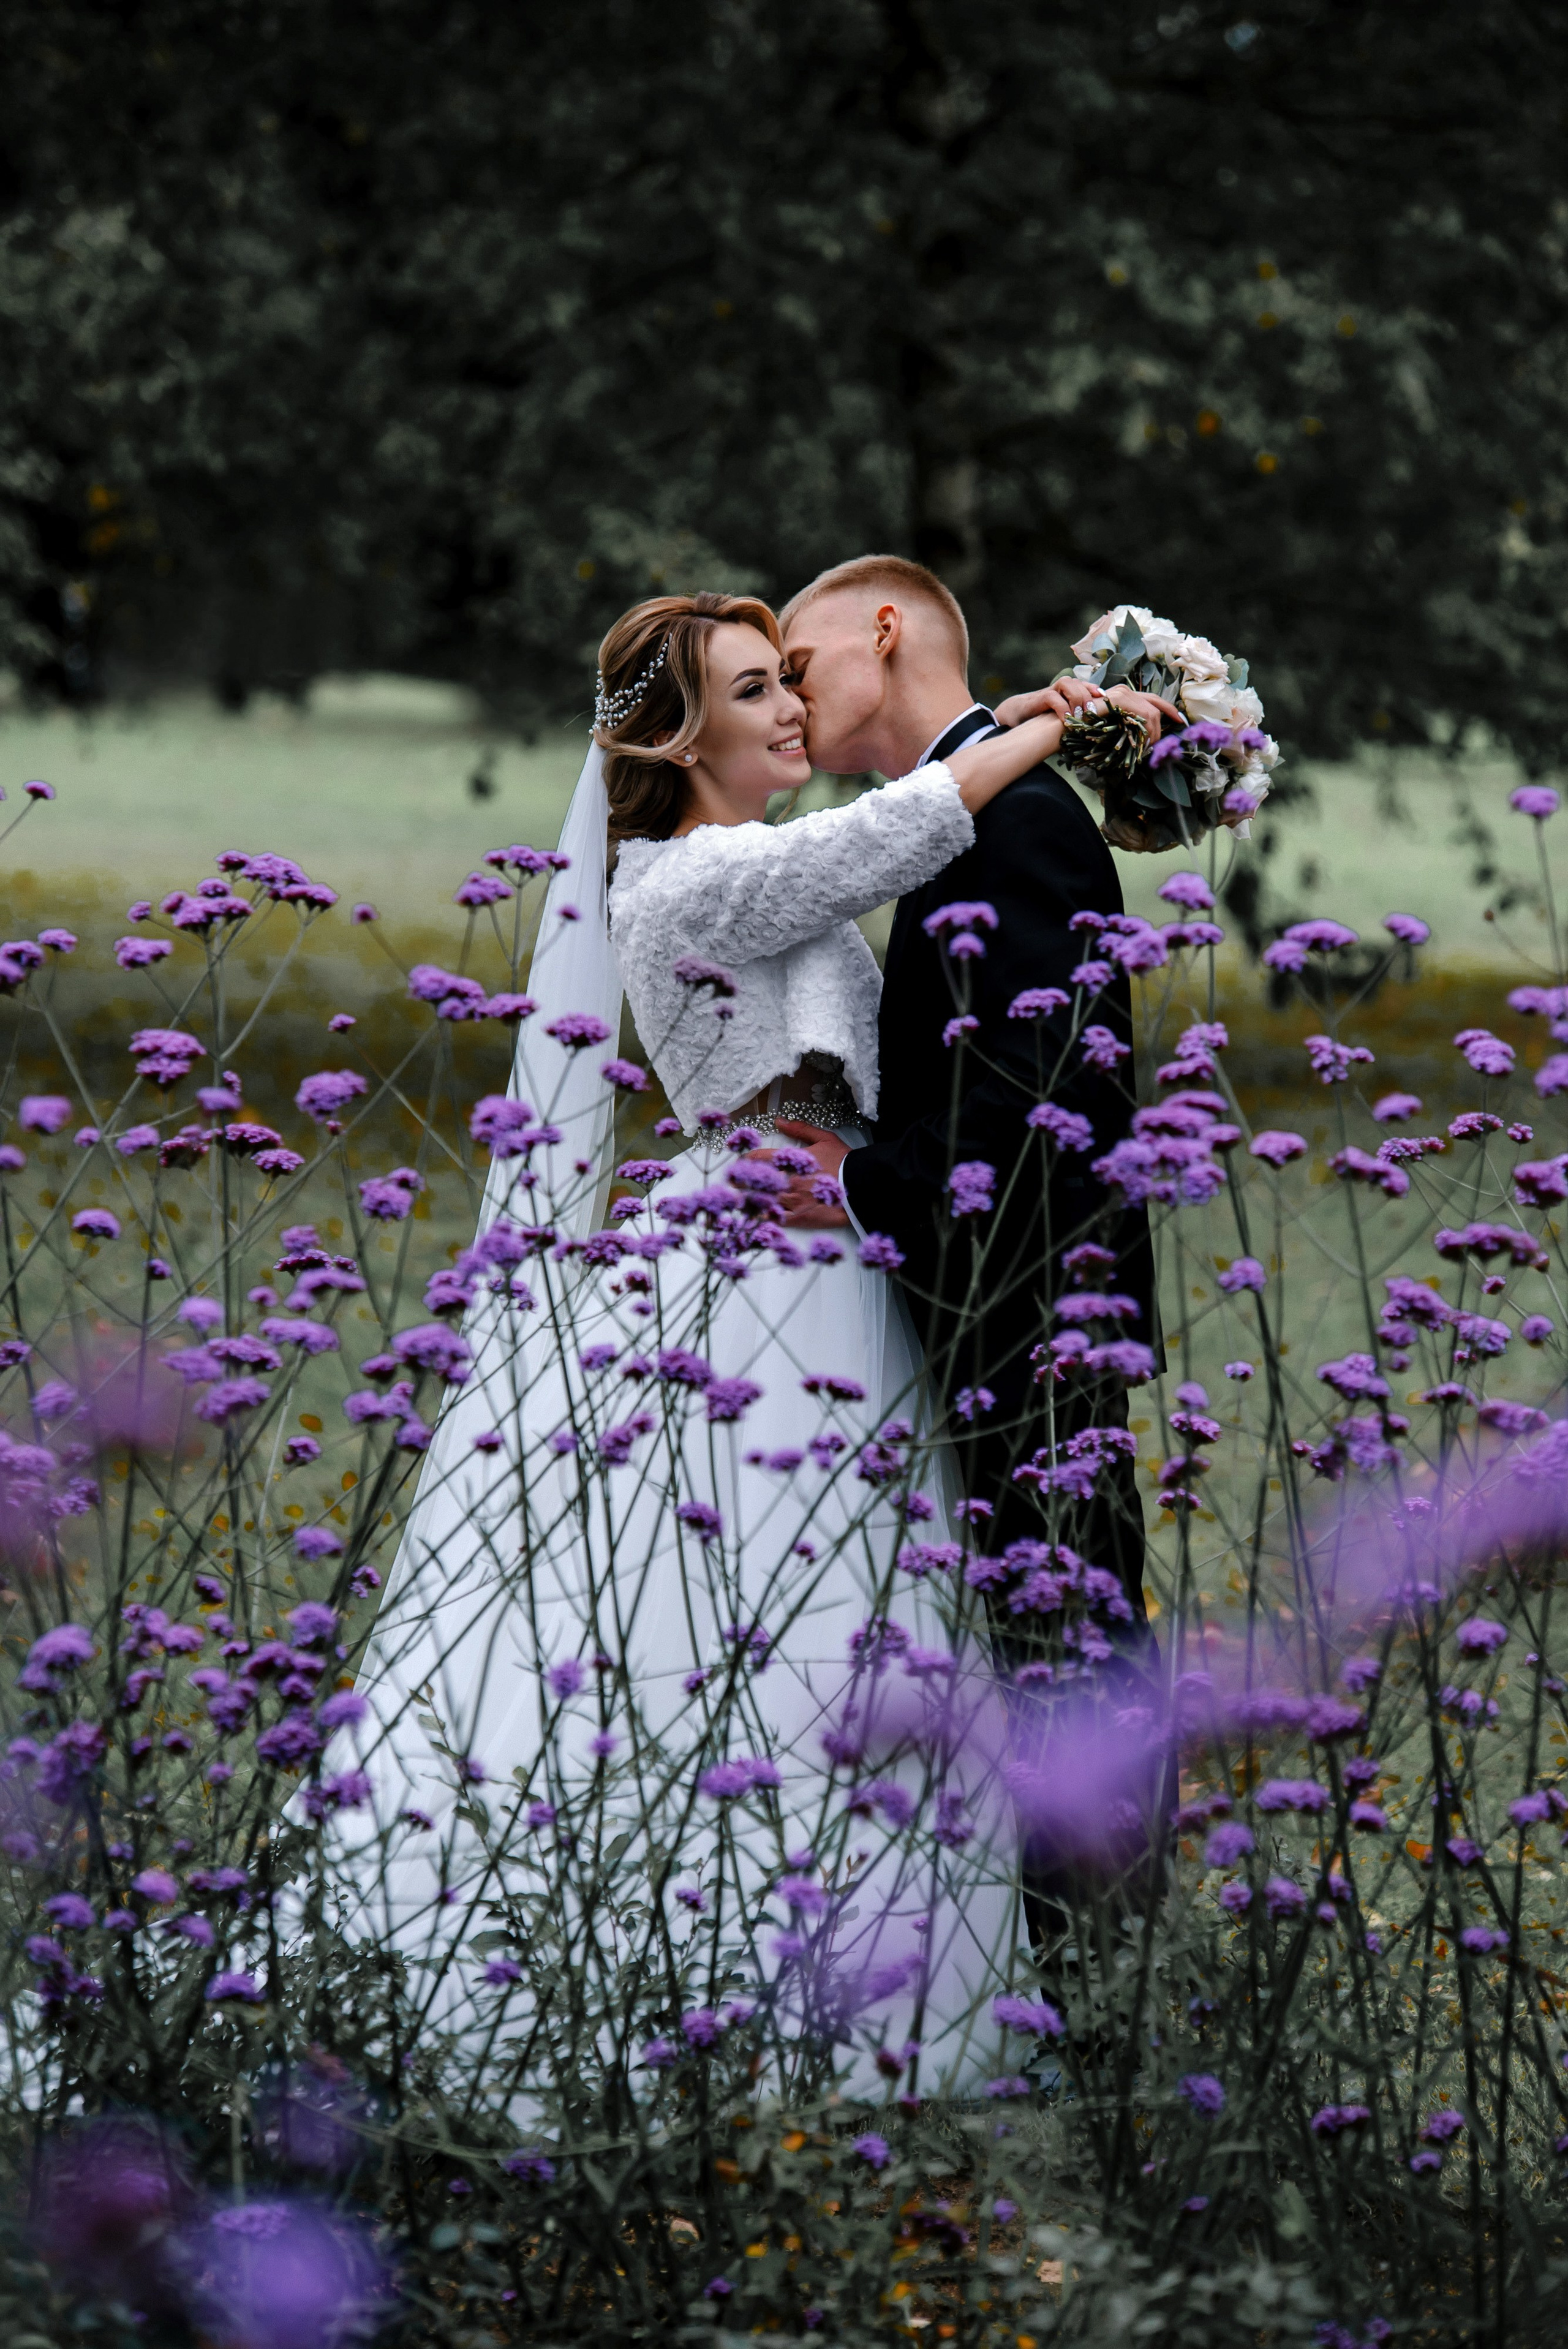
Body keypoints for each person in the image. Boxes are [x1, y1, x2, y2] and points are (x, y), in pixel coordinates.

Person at [351, 589, 1077, 2097]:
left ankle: (861, 1976)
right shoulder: (685, 884)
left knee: (849, 1616)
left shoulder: (763, 878)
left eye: (785, 685)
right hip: (748, 1284)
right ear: (683, 738)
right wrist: (1049, 727)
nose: (793, 712)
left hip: (834, 1257)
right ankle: (692, 1970)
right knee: (735, 1606)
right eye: (756, 695)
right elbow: (891, 837)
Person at [771, 556, 1176, 1939]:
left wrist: (855, 1182)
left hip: (1033, 1313)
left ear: (885, 630)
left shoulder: (1028, 832)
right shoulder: (954, 814)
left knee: (1069, 1638)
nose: (781, 684)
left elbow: (1032, 1099)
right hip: (975, 1307)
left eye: (797, 653)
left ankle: (1101, 1967)